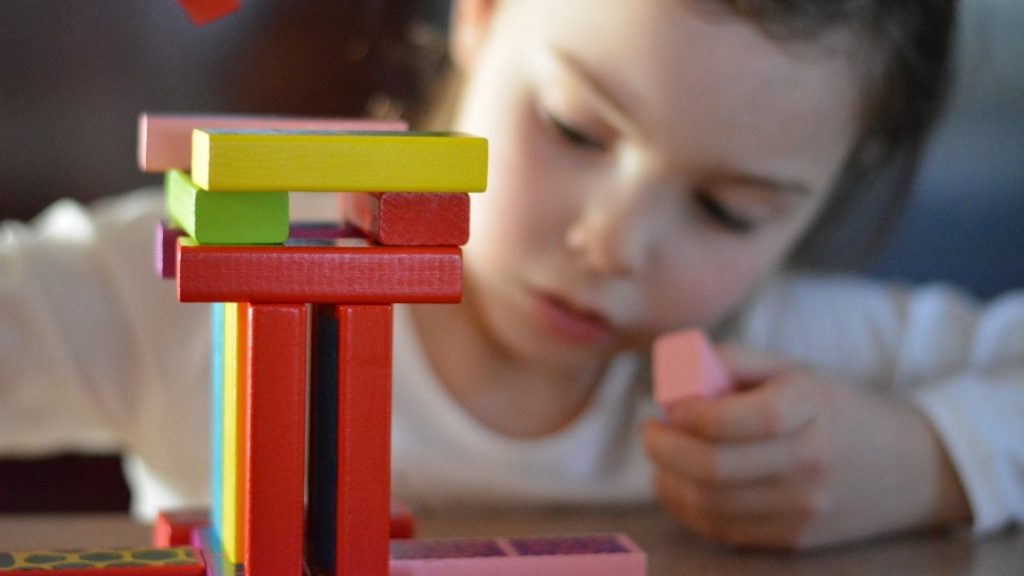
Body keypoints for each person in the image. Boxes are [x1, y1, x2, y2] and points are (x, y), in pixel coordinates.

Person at [1, 0, 1021, 551]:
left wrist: (919, 458)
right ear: (479, 15)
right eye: (574, 128)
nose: (614, 244)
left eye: (728, 209)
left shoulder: (782, 357)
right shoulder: (196, 286)